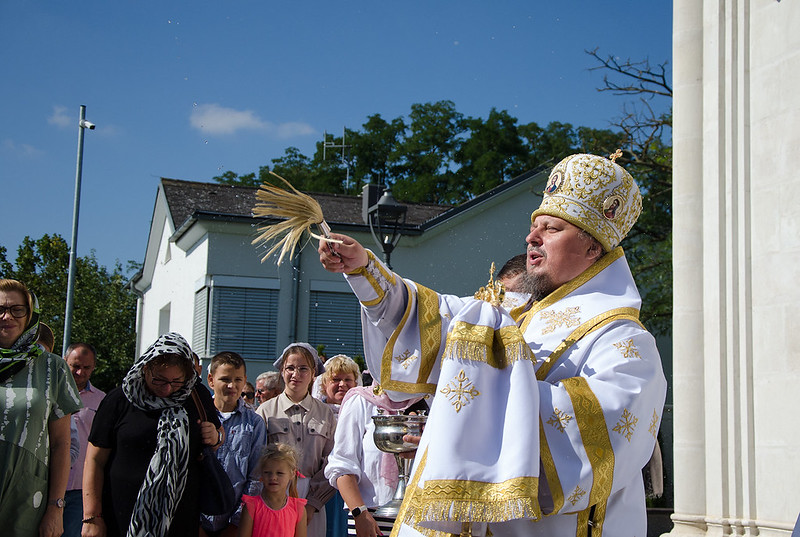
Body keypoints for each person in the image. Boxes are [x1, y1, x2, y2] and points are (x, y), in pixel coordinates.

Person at [318, 153, 668, 536]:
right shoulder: (507, 314)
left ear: (593, 249)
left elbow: (599, 442)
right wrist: (365, 270)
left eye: (551, 228)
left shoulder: (623, 339)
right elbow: (436, 319)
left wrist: (464, 423)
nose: (531, 237)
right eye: (534, 226)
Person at [82, 332, 222, 537]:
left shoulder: (196, 395)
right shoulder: (119, 399)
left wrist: (216, 436)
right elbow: (94, 460)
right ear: (145, 368)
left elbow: (218, 436)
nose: (167, 388)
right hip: (122, 516)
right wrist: (92, 517)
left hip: (180, 516)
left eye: (176, 381)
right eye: (159, 380)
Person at [0, 279, 83, 537]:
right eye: (0, 309)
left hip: (24, 501)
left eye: (17, 309)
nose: (7, 316)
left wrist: (56, 509)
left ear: (30, 314)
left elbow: (61, 444)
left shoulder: (52, 367)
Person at [256, 343, 336, 537]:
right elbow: (256, 458)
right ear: (282, 371)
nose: (295, 374)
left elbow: (331, 460)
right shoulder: (265, 411)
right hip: (273, 494)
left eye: (303, 369)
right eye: (290, 368)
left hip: (311, 495)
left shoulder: (325, 413)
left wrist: (313, 503)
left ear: (313, 373)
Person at [325, 384, 425, 537]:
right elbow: (342, 465)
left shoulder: (432, 400)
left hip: (420, 518)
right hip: (370, 518)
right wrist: (360, 514)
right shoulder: (361, 401)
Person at [201, 351, 268, 537]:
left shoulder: (254, 424)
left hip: (233, 525)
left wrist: (237, 523)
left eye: (238, 380)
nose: (232, 385)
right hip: (196, 522)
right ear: (211, 380)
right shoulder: (199, 417)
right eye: (225, 379)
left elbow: (255, 479)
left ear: (245, 380)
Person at [62, 343, 106, 537]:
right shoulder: (50, 393)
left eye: (86, 367)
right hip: (48, 483)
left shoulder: (102, 401)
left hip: (81, 489)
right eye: (75, 366)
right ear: (65, 362)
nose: (80, 372)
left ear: (94, 366)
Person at [239, 443, 307, 537]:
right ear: (261, 474)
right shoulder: (251, 507)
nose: (273, 477)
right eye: (267, 472)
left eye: (279, 473)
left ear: (292, 474)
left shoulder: (298, 509)